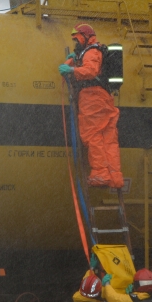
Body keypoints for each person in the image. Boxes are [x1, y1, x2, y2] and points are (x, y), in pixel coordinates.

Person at [58, 24, 124, 188]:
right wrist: (72, 61)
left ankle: (100, 173)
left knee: (92, 135)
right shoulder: (91, 51)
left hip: (92, 97)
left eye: (77, 38)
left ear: (85, 37)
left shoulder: (91, 52)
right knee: (109, 140)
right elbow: (84, 62)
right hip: (102, 96)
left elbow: (91, 70)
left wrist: (72, 70)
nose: (75, 42)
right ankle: (115, 177)